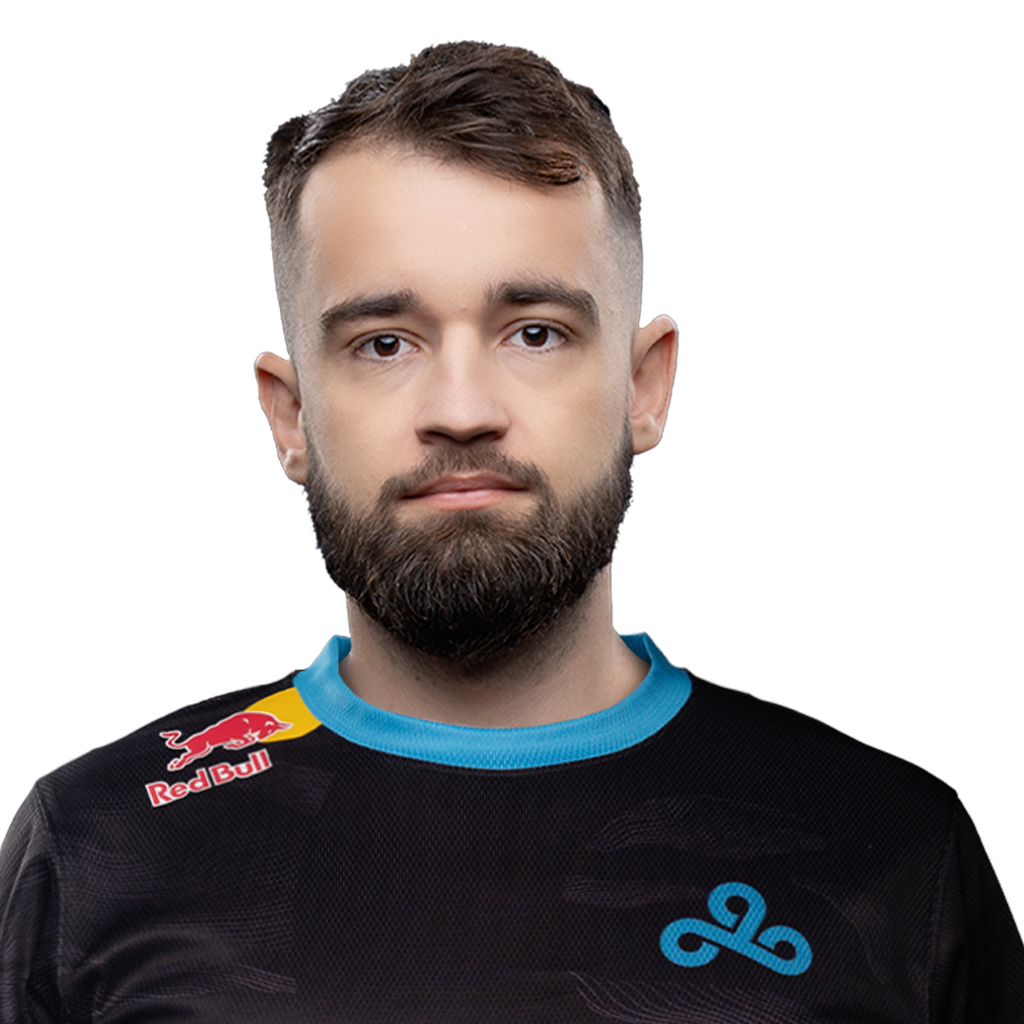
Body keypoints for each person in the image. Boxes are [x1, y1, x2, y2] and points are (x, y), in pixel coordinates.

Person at [2, 41, 1022, 1024]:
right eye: (383, 342)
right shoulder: (97, 846)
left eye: (535, 332)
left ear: (644, 387)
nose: (461, 410)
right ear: (290, 414)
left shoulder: (895, 854)